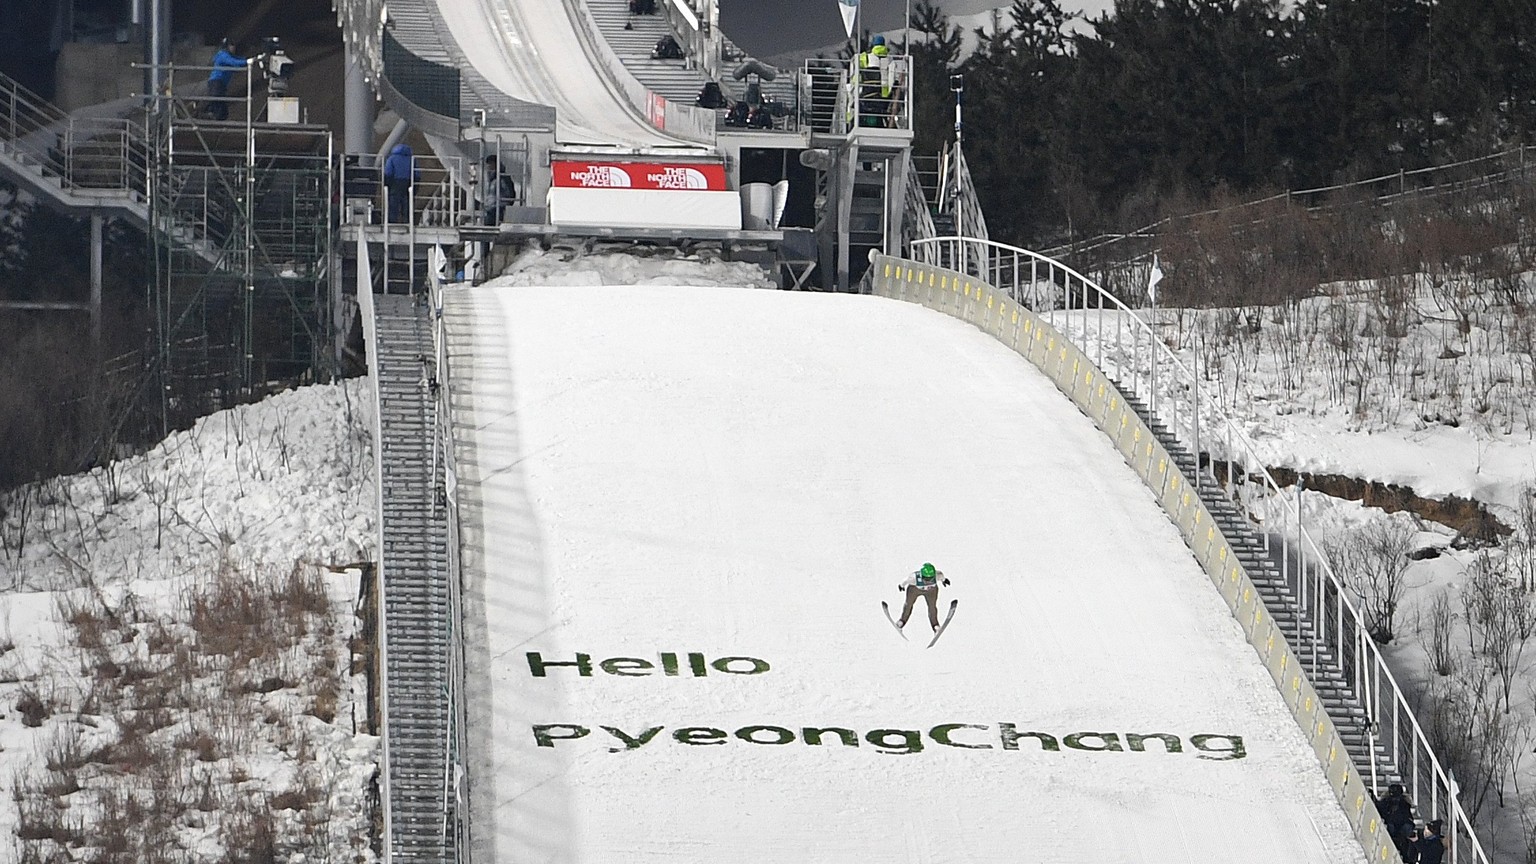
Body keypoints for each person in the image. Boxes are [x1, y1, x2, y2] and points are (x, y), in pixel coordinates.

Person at [895, 562, 949, 631]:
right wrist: (901, 585)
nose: (928, 580)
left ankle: (935, 625)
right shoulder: (913, 578)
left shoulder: (937, 575)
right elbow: (906, 580)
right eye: (926, 578)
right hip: (915, 589)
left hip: (931, 591)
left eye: (931, 578)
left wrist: (944, 581)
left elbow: (942, 577)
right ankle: (902, 621)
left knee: (932, 606)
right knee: (908, 604)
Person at [206, 38, 248, 121]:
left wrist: (250, 59)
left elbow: (237, 60)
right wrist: (247, 62)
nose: (234, 47)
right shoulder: (223, 55)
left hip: (220, 83)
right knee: (218, 105)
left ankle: (212, 118)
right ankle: (206, 116)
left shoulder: (227, 55)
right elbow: (234, 62)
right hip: (217, 82)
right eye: (231, 45)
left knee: (222, 109)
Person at [856, 34, 891, 128]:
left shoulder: (866, 57)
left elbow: (857, 71)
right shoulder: (890, 59)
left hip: (868, 94)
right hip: (885, 96)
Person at [1375, 783, 1415, 860]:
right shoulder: (1386, 802)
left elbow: (1407, 819)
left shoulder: (1404, 805)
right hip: (1390, 831)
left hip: (1400, 832)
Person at [381, 143, 419, 224]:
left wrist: (386, 184)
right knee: (407, 205)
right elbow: (417, 174)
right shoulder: (412, 159)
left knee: (393, 206)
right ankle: (408, 222)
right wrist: (415, 187)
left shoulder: (392, 158)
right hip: (408, 184)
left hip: (395, 183)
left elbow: (388, 172)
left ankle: (392, 222)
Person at [482, 155, 516, 226]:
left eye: (490, 163)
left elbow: (510, 195)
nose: (488, 166)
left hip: (499, 209)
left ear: (495, 164)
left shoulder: (503, 178)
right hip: (490, 209)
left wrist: (504, 205)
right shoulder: (491, 179)